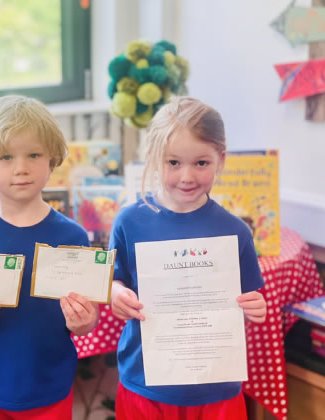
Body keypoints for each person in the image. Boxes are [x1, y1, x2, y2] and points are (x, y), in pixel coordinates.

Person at [0, 95, 99, 420]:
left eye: (33, 155)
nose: (21, 168)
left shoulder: (73, 238)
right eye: (6, 157)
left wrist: (84, 322)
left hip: (49, 386)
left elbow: (86, 321)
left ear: (52, 160)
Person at [109, 96, 267, 420]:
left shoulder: (236, 231)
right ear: (154, 159)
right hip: (146, 383)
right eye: (173, 163)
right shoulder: (128, 222)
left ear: (220, 159)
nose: (187, 177)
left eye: (201, 163)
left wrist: (255, 308)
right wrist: (115, 292)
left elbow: (251, 297)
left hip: (216, 387)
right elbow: (113, 279)